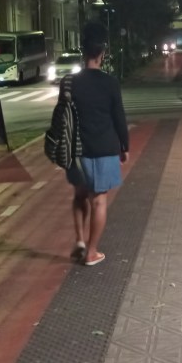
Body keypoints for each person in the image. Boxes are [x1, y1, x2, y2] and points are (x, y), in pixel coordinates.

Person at [67, 22, 129, 266]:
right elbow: (119, 117)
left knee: (79, 195)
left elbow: (63, 117)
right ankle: (92, 252)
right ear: (102, 53)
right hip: (104, 147)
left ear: (83, 52)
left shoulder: (69, 83)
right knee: (98, 200)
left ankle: (80, 241)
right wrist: (124, 146)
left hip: (77, 149)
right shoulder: (110, 83)